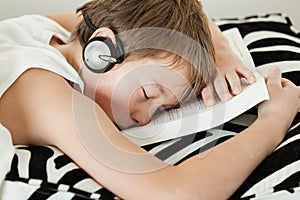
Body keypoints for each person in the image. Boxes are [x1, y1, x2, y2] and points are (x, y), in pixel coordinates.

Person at [0, 0, 299, 199]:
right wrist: (273, 122)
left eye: (163, 108)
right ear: (100, 51)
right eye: (144, 93)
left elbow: (177, 10)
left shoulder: (54, 31)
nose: (144, 118)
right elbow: (175, 193)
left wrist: (217, 51)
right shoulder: (41, 90)